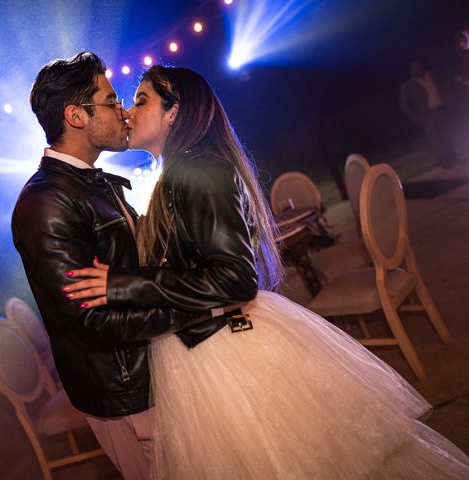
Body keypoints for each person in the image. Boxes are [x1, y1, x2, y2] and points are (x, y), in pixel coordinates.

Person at [65, 65, 469, 479]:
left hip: (226, 349)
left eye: (141, 100)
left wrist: (125, 285)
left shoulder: (200, 170)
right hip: (200, 343)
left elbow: (234, 279)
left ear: (174, 112)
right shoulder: (181, 171)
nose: (129, 112)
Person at [11, 52, 239, 480]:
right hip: (127, 390)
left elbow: (138, 268)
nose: (123, 111)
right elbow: (92, 324)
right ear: (77, 116)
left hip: (155, 372)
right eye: (112, 100)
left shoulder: (92, 184)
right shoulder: (46, 203)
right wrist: (201, 309)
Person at [400, 58, 459, 168]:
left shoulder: (432, 76)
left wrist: (449, 102)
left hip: (441, 109)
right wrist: (416, 118)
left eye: (419, 65)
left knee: (447, 135)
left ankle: (453, 157)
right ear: (411, 70)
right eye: (414, 67)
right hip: (427, 116)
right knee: (436, 139)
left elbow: (444, 88)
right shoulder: (407, 85)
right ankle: (444, 162)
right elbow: (405, 105)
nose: (417, 68)